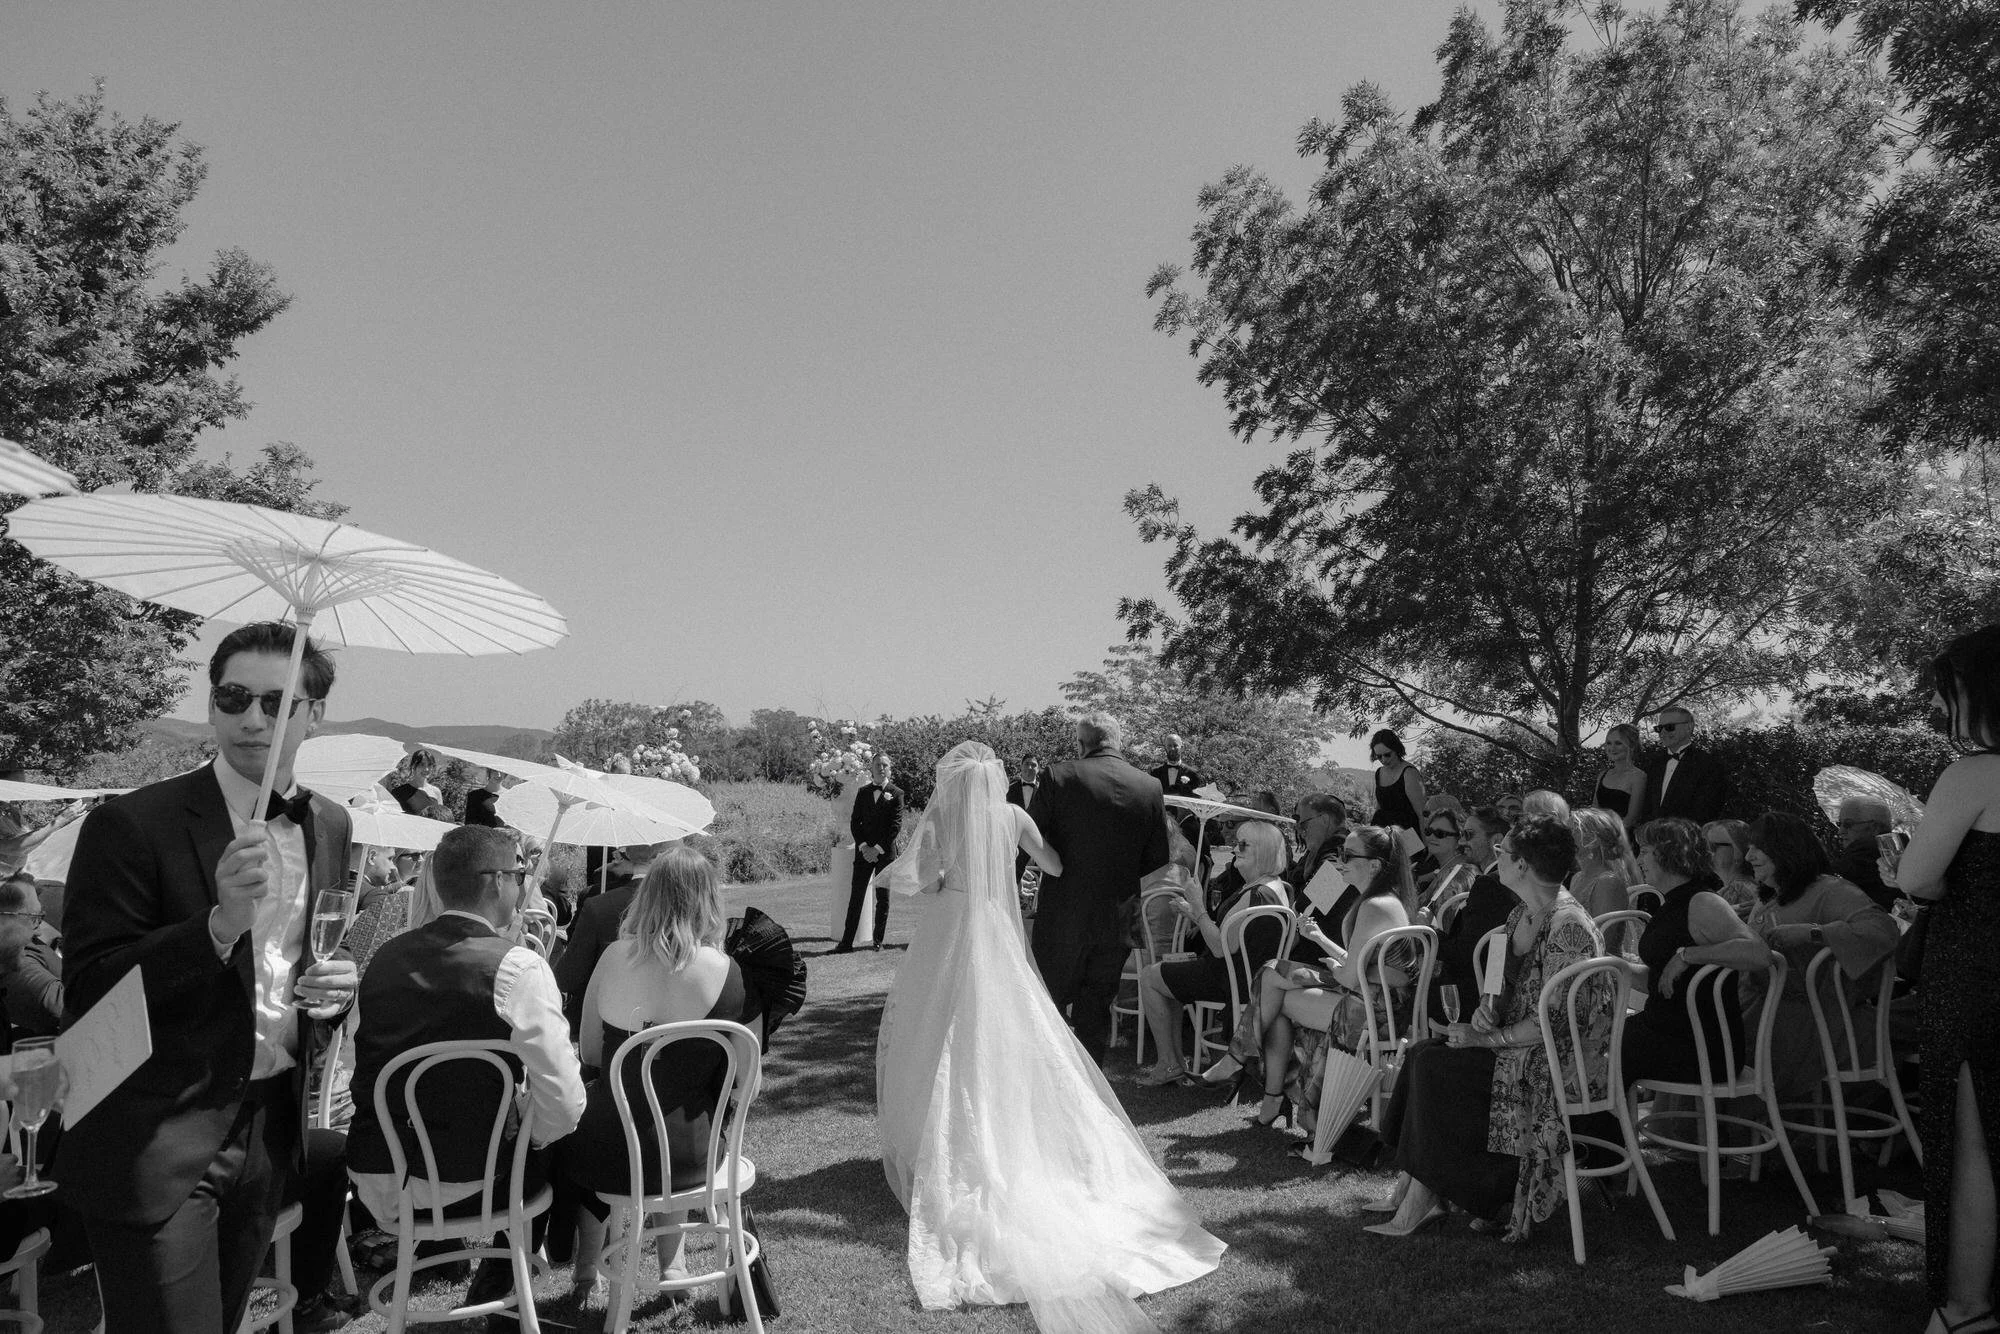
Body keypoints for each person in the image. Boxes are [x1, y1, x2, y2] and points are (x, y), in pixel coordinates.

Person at [54, 621, 357, 1332]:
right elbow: (92, 988)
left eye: (277, 703)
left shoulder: (333, 827)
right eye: (234, 697)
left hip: (269, 1128)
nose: (253, 719)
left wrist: (335, 990)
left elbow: (301, 965)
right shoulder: (130, 826)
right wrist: (216, 927)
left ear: (314, 716)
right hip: (155, 1136)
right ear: (212, 706)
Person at [876, 741, 1224, 1326]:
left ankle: (928, 1144)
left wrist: (943, 879)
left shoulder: (940, 817)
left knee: (934, 1030)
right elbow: (1056, 865)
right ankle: (1003, 1128)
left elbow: (926, 875)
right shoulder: (1013, 817)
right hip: (995, 926)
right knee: (1008, 1026)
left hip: (949, 929)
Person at [346, 825, 586, 1320]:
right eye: (520, 873)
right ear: (497, 882)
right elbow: (565, 1103)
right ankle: (507, 1291)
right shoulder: (518, 968)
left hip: (377, 1178)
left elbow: (357, 1064)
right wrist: (527, 1133)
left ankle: (472, 1272)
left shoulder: (384, 959)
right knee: (564, 1132)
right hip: (472, 1181)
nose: (523, 884)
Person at [1370, 813, 1606, 1241]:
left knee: (1438, 1068)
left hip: (1557, 1062)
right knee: (1426, 1052)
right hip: (1521, 1047)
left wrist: (1485, 1037)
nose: (1497, 856)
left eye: (1505, 851)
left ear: (1523, 866)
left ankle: (1424, 1198)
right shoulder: (1522, 915)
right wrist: (1487, 1012)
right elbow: (1497, 986)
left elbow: (1551, 1024)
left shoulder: (1568, 924)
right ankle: (1416, 1185)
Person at [560, 846, 764, 1305]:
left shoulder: (612, 958)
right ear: (710, 900)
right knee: (665, 1130)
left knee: (598, 1123)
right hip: (693, 1154)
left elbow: (591, 1051)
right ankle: (672, 1264)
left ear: (646, 897)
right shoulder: (728, 972)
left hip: (610, 1150)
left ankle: (586, 1270)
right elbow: (746, 1081)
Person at [1881, 624, 2000, 1334]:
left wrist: (1902, 866)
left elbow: (1921, 878)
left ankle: (1965, 1307)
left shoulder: (1977, 774)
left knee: (1972, 1139)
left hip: (1979, 971)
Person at [1254, 825, 1416, 1139]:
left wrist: (1330, 960)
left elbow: (1351, 974)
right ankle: (1266, 1086)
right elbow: (1363, 958)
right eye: (1340, 853)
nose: (1339, 860)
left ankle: (1262, 1079)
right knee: (1272, 973)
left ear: (1374, 865)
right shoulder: (1381, 898)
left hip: (1370, 1010)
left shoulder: (1369, 901)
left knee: (1275, 997)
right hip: (1372, 997)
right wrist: (1319, 939)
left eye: (1347, 855)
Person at [1028, 713, 1170, 1063]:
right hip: (1118, 917)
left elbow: (1030, 836)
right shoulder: (1149, 787)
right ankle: (1090, 1084)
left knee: (1049, 1002)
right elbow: (1157, 857)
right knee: (1096, 1008)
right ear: (1118, 741)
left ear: (1082, 743)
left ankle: (1049, 1076)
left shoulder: (1058, 776)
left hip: (1063, 913)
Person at [1740, 812, 1899, 1105]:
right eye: (1748, 847)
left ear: (1785, 850)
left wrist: (1814, 933)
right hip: (1762, 1006)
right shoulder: (1771, 897)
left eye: (1758, 848)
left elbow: (1883, 931)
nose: (1748, 856)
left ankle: (1716, 1136)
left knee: (1711, 1042)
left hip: (1811, 1021)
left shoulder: (1830, 889)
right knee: (1697, 1025)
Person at [1135, 821, 1290, 1086]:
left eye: (1243, 845)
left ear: (1263, 851)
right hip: (1250, 977)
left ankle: (1169, 1063)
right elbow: (1235, 937)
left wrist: (1198, 906)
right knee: (1166, 975)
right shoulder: (1278, 887)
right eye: (1236, 843)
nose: (1234, 849)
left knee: (1150, 975)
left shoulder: (1256, 894)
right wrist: (1194, 912)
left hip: (1231, 980)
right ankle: (1174, 1060)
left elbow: (1220, 948)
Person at [1618, 818, 1769, 1088]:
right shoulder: (1672, 902)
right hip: (1668, 1033)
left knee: (1590, 1055)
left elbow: (1759, 954)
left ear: (1668, 854)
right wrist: (1616, 968)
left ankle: (1604, 1130)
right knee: (1589, 1042)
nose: (1639, 859)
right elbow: (1661, 981)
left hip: (1700, 1046)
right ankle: (1605, 1129)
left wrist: (1687, 955)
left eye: (1645, 851)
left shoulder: (1702, 901)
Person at [556, 842, 669, 1035]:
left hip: (605, 1022)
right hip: (667, 1021)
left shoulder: (598, 905)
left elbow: (567, 977)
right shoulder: (681, 906)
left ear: (627, 856)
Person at [1433, 805, 1515, 998]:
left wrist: (1428, 934)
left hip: (1474, 994)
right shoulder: (1510, 880)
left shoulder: (1490, 884)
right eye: (1461, 834)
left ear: (1495, 840)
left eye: (1469, 834)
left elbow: (1466, 954)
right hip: (1493, 988)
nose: (1461, 841)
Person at [836, 752, 903, 953]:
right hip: (864, 853)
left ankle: (877, 941)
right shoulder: (863, 792)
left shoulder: (897, 794)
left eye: (884, 765)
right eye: (877, 765)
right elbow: (855, 822)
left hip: (885, 853)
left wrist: (878, 849)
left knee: (883, 898)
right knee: (856, 896)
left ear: (890, 768)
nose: (881, 768)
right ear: (871, 768)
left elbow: (895, 826)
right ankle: (846, 943)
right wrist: (865, 847)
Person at [1639, 707, 1730, 825]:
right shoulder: (1654, 764)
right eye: (1659, 728)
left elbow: (1708, 810)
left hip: (1689, 838)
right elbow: (1647, 807)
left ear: (1688, 727)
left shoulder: (1709, 764)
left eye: (1669, 727)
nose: (1663, 732)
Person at [0, 872, 61, 1039]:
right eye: (34, 919)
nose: (39, 931)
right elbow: (58, 1006)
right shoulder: (17, 958)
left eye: (40, 918)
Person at [1570, 807, 1639, 948]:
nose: (1565, 837)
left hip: (1598, 966)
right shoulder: (1577, 878)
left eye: (1574, 831)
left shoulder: (1607, 882)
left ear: (1593, 840)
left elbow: (1603, 940)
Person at [1831, 796, 1898, 911]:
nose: (1840, 831)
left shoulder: (1864, 852)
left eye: (1848, 824)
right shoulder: (1900, 850)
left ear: (1874, 827)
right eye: (1839, 824)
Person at [1368, 729, 1427, 831]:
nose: (1383, 760)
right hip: (1382, 834)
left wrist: (1426, 845)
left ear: (1396, 750)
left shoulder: (1409, 773)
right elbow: (1379, 807)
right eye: (1379, 756)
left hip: (1407, 836)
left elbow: (1423, 815)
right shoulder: (1379, 773)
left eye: (1387, 754)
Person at [1594, 723, 1648, 828]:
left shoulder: (1639, 777)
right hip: (1599, 837)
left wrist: (1610, 838)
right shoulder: (1603, 775)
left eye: (1618, 743)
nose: (1612, 748)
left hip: (1624, 839)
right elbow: (1594, 810)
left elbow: (1632, 819)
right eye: (1608, 743)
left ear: (1632, 746)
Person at [1703, 819, 1760, 918]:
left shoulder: (1738, 890)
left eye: (1712, 846)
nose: (1706, 852)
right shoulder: (1749, 886)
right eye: (1704, 846)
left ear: (1738, 851)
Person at [389, 748, 443, 816]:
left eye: (429, 765)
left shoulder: (436, 792)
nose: (426, 769)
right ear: (414, 766)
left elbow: (442, 818)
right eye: (422, 765)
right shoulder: (399, 792)